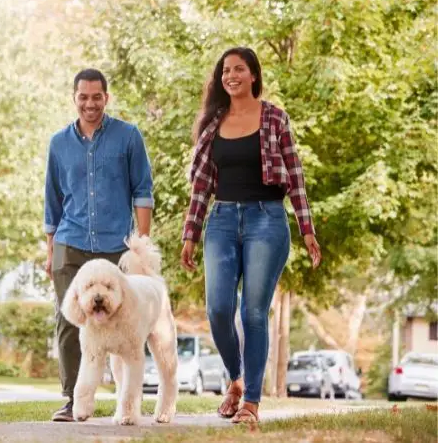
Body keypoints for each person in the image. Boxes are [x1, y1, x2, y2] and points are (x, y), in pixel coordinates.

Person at [180, 47, 322, 424]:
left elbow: (295, 175)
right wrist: (190, 233)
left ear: (254, 75)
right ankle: (236, 380)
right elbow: (201, 186)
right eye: (226, 70)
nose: (231, 75)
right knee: (218, 309)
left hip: (266, 220)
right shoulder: (213, 123)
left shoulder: (275, 117)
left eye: (239, 69)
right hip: (222, 220)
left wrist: (307, 229)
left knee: (253, 311)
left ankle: (252, 404)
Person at [44, 68, 155, 422]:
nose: (89, 103)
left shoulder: (128, 136)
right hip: (69, 241)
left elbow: (142, 191)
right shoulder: (59, 143)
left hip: (114, 246)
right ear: (74, 98)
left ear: (106, 98)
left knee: (123, 320)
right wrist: (50, 252)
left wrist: (141, 245)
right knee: (68, 321)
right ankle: (72, 399)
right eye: (83, 97)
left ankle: (127, 399)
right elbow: (52, 201)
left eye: (96, 96)